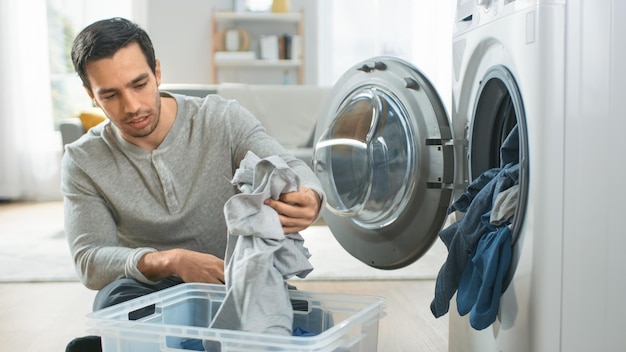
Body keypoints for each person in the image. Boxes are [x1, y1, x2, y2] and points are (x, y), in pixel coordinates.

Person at [62, 17, 324, 351]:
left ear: (157, 72)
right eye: (110, 95)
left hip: (234, 279)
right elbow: (90, 259)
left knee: (306, 317)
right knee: (114, 298)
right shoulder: (83, 160)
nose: (132, 106)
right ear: (91, 95)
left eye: (139, 84)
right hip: (154, 291)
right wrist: (172, 261)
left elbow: (290, 165)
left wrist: (310, 195)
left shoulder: (221, 119)